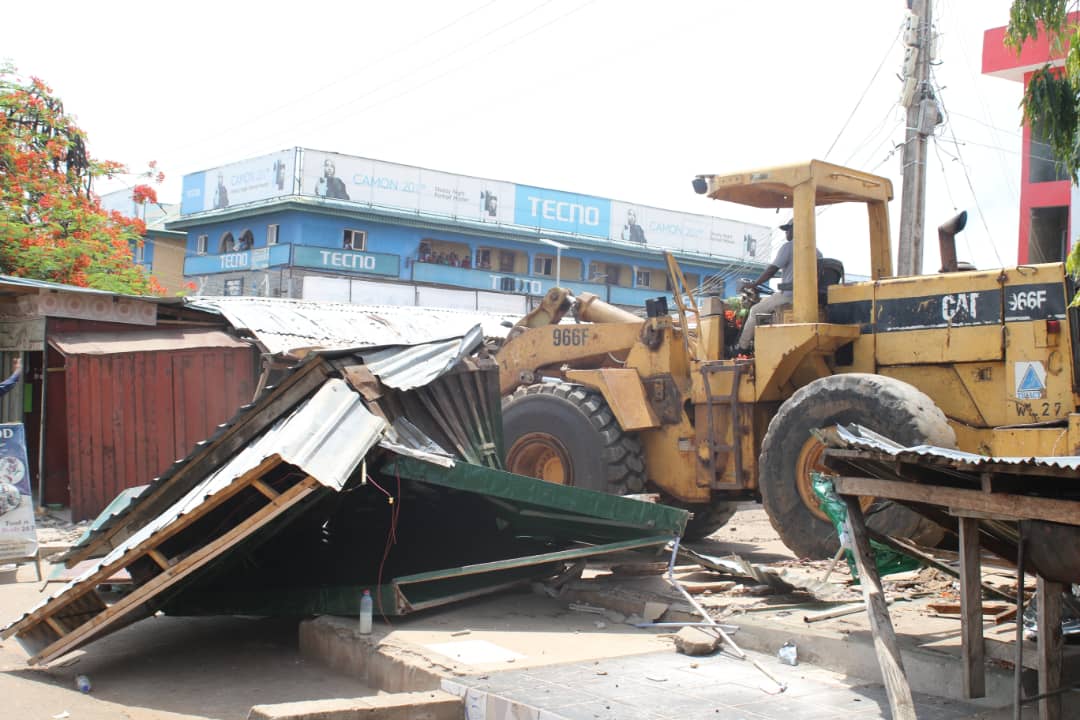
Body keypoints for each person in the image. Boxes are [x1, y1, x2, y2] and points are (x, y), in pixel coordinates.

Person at [734, 220, 821, 354]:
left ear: (796, 230)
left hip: (789, 296)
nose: (786, 233)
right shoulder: (816, 251)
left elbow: (772, 270)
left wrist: (754, 284)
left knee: (754, 310)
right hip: (808, 300)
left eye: (788, 229)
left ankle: (741, 347)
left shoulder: (789, 247)